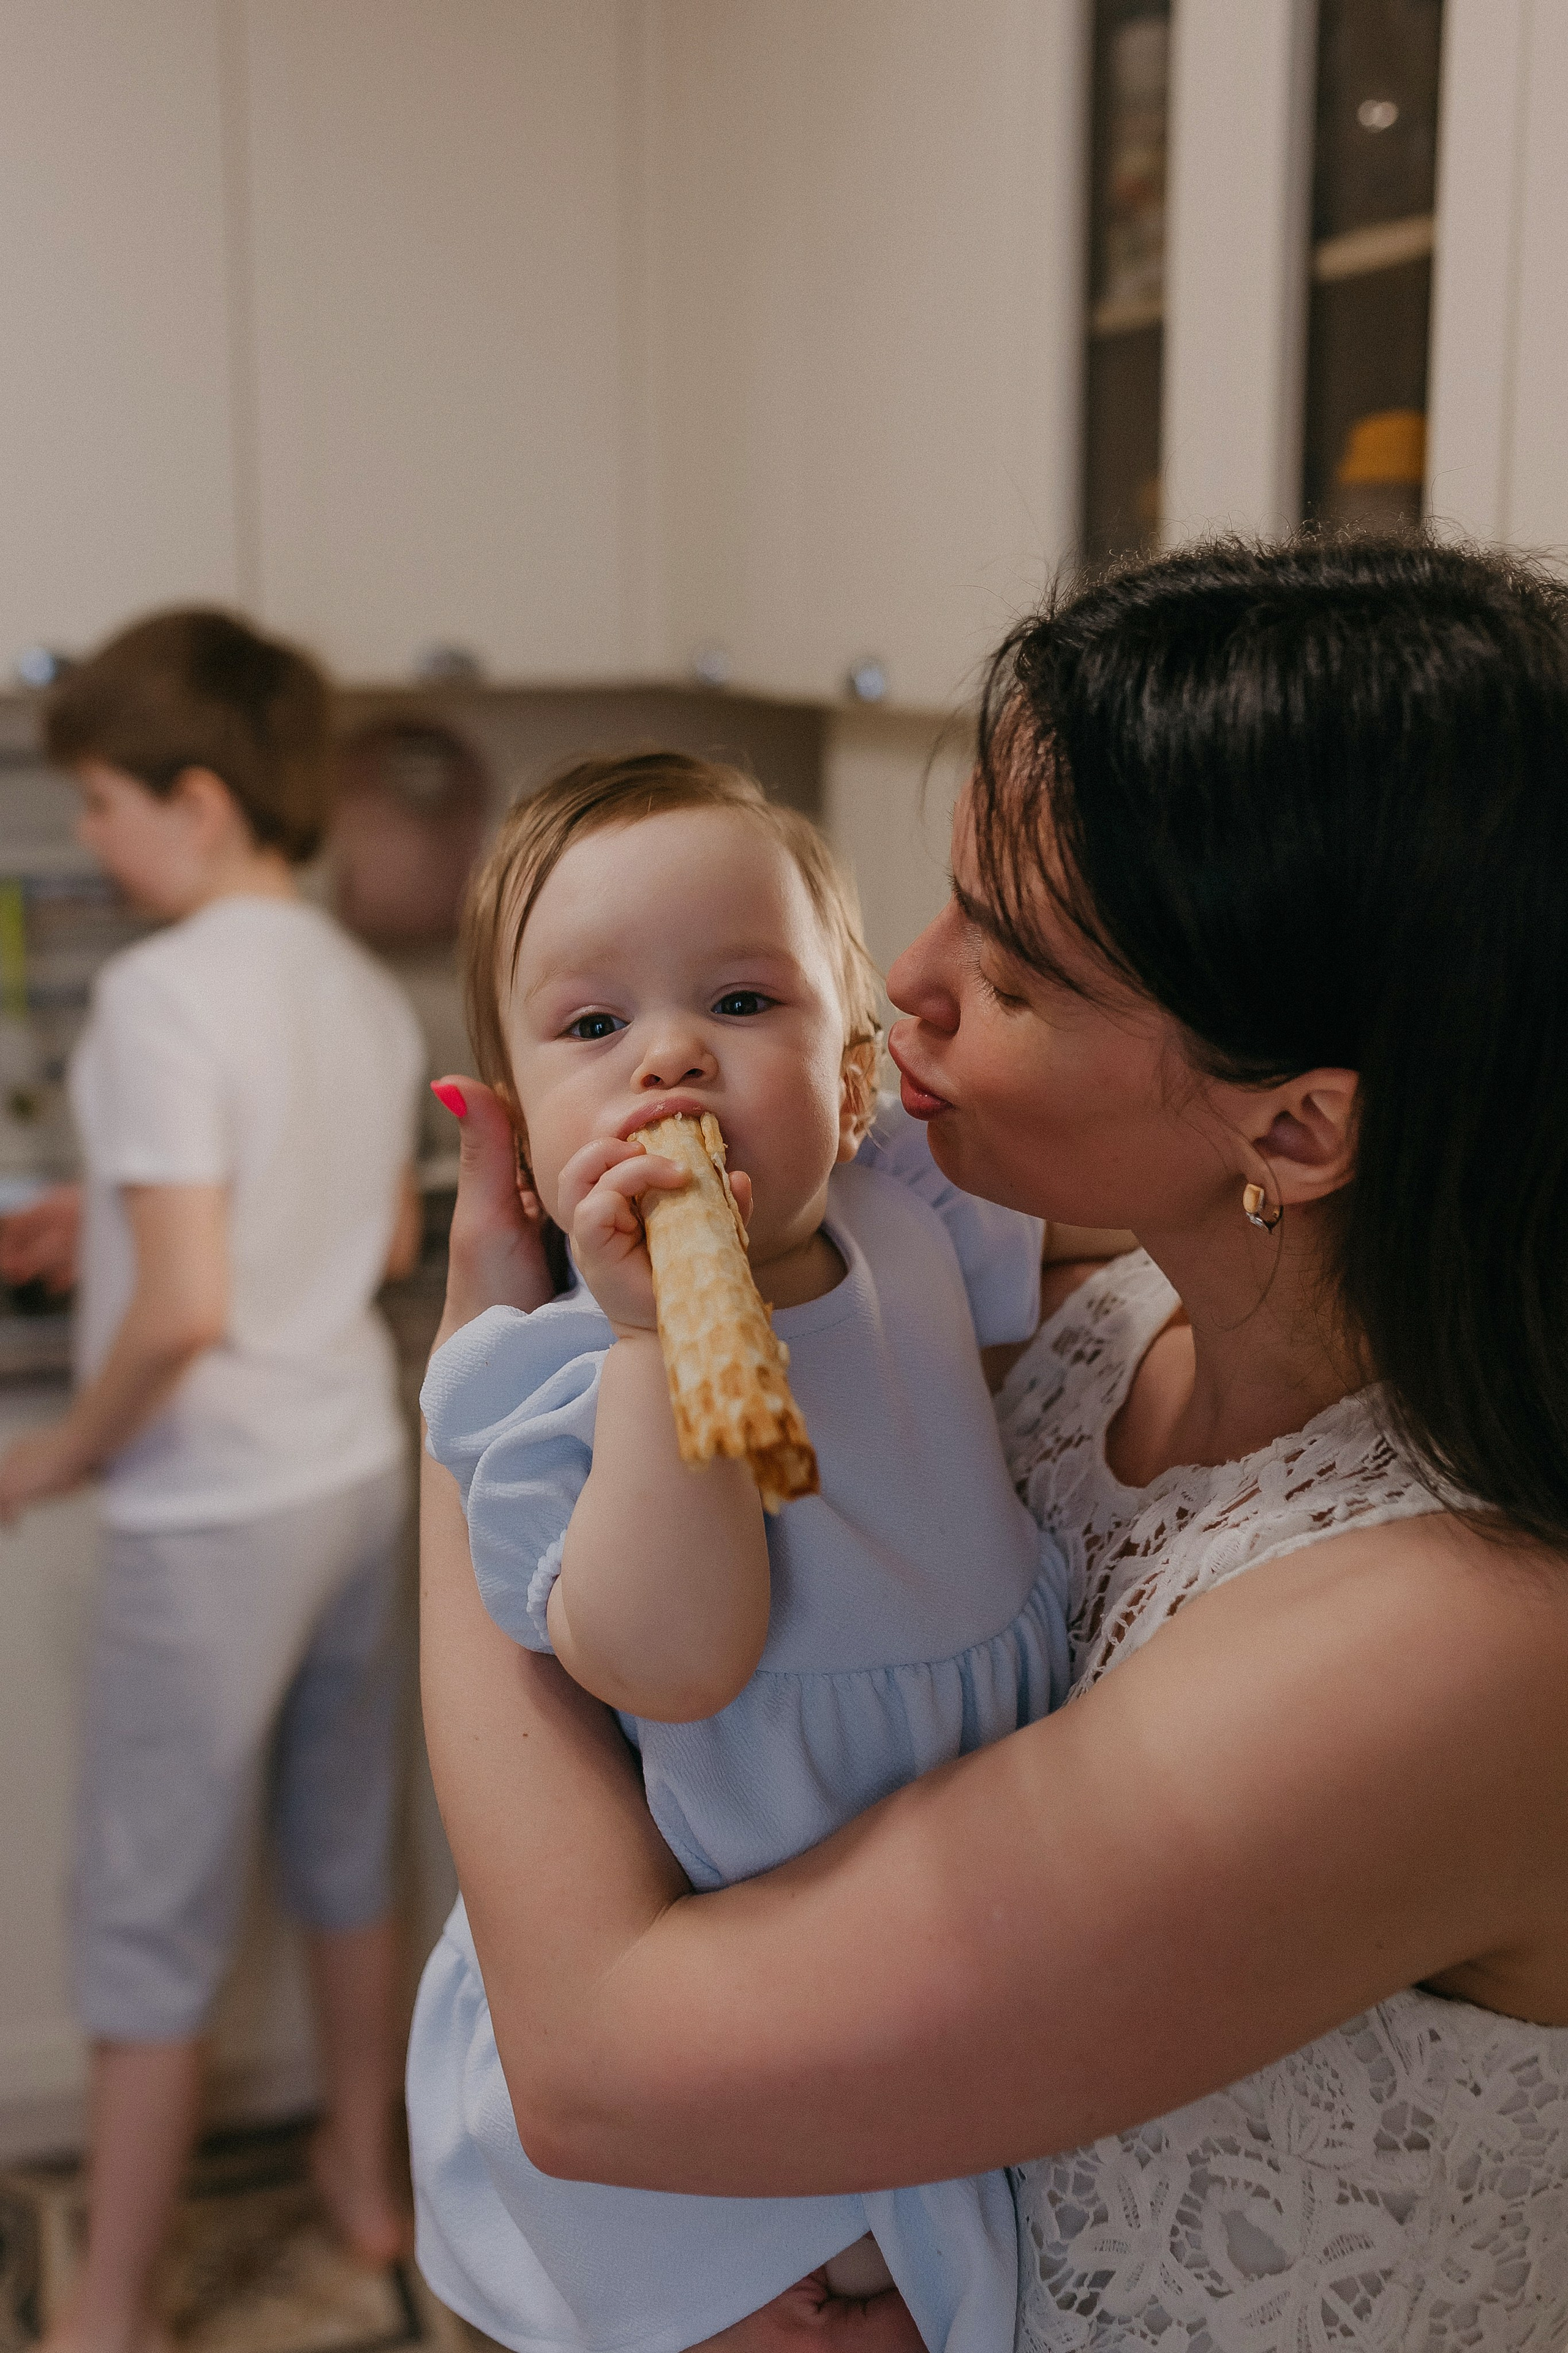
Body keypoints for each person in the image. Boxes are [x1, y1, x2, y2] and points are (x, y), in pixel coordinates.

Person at [414, 537, 1568, 2350]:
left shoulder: (1464, 1637)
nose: (904, 995)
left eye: (1015, 977)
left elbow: (599, 2065)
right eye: (942, 905)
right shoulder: (1095, 1333)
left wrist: (481, 1387)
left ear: (1297, 1125)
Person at [408, 752, 1068, 2352]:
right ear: (511, 1129)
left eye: (744, 998)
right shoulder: (551, 1379)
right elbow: (671, 1654)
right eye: (590, 1027)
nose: (672, 1060)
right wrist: (648, 1342)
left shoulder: (904, 1209)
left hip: (937, 1945)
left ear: (850, 1071)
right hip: (713, 2061)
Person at [0, 610, 428, 2353]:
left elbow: (181, 1311)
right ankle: (365, 2181)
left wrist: (55, 1457)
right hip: (351, 1464)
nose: (92, 838)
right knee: (345, 1846)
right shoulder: (351, 978)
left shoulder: (162, 997)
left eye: (100, 802)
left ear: (192, 797)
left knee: (146, 1904)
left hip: (211, 1502)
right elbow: (376, 1224)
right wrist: (94, 1218)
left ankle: (108, 2304)